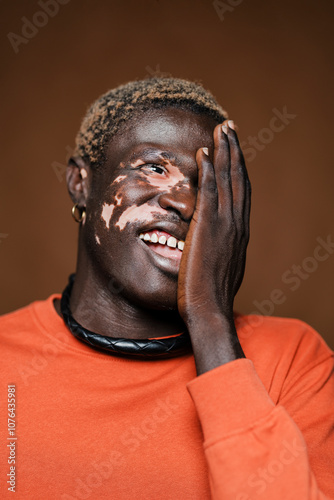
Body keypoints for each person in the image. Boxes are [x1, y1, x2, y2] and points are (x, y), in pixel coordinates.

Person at [0, 77, 333, 500]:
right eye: (155, 169)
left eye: (207, 185)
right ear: (81, 184)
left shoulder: (296, 360)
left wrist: (210, 318)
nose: (186, 203)